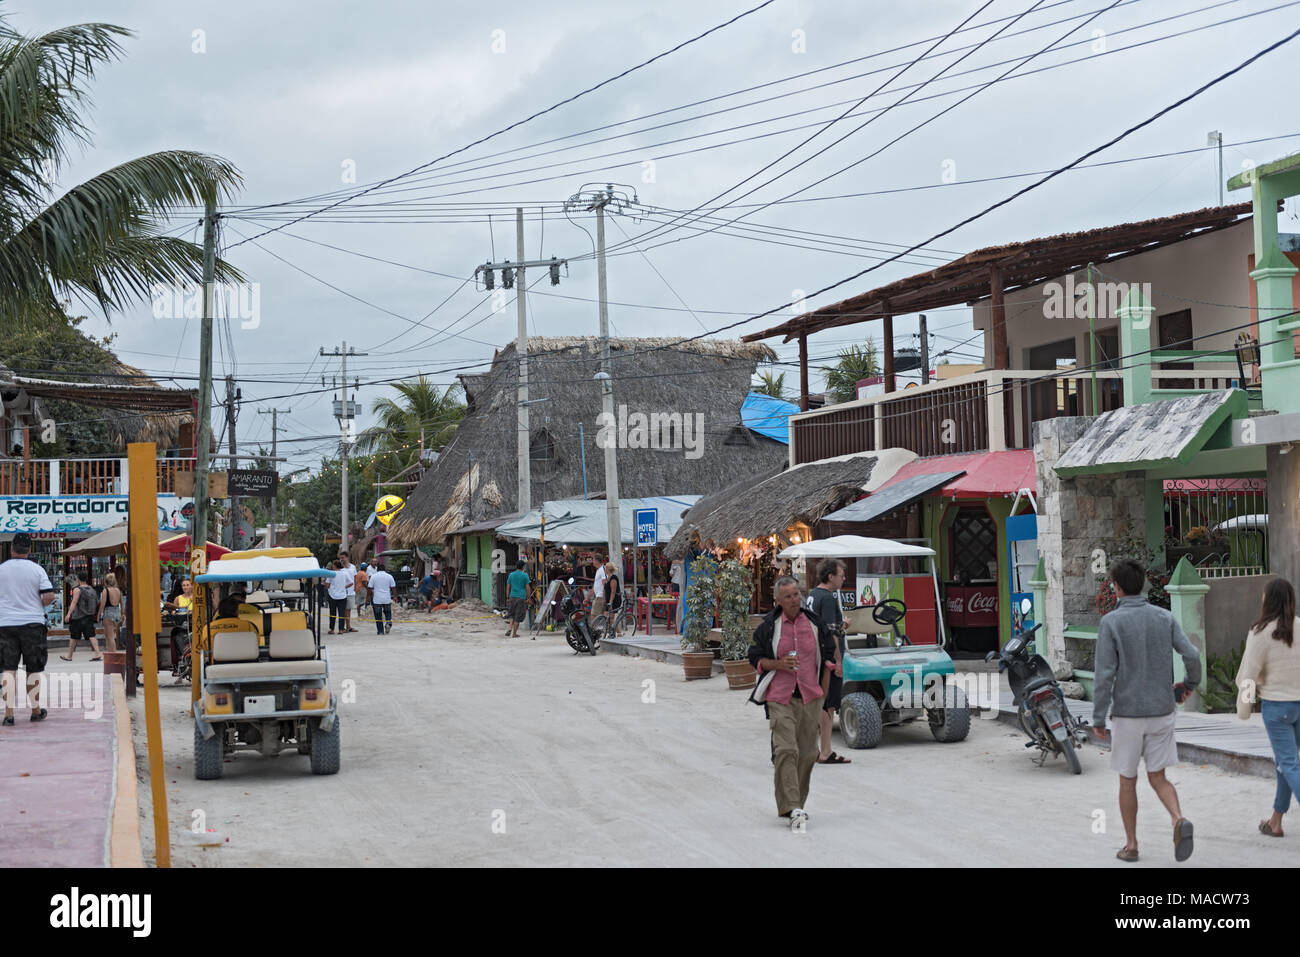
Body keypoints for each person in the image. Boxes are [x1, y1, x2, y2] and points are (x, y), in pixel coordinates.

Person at [1092, 558, 1202, 863]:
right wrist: (1189, 683)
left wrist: (1098, 717)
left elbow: (1104, 675)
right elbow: (1191, 653)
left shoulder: (1110, 623)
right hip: (1162, 710)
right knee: (1159, 777)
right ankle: (1178, 819)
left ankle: (1131, 845)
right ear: (1143, 585)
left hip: (1127, 715)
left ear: (1116, 588)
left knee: (1128, 780)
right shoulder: (1164, 618)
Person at [747, 575, 838, 830]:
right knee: (787, 750)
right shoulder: (769, 626)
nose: (794, 599)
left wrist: (824, 694)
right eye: (788, 596)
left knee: (808, 753)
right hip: (780, 696)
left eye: (797, 594)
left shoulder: (815, 623)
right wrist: (778, 664)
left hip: (810, 695)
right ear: (778, 600)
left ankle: (796, 802)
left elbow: (829, 658)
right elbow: (754, 657)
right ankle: (792, 806)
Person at [1235, 577, 1300, 838]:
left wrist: (1244, 707)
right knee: (1286, 764)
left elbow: (1250, 673)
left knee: (1289, 764)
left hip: (1277, 709)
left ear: (1268, 600)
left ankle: (1276, 821)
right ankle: (1275, 821)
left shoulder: (1260, 632)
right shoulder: (1299, 627)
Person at [0, 532, 56, 724]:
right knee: (33, 669)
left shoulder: (1, 569)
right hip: (33, 624)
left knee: (8, 668)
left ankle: (8, 714)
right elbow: (49, 596)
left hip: (5, 624)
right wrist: (37, 605)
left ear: (12, 549)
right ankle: (35, 711)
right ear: (29, 550)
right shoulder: (37, 570)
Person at [806, 559, 850, 766]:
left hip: (814, 655)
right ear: (830, 576)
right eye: (841, 575)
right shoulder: (829, 599)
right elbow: (831, 634)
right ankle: (825, 750)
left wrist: (842, 626)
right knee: (829, 704)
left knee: (817, 702)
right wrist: (838, 660)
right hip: (828, 658)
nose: (843, 579)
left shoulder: (812, 595)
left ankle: (815, 749)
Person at [60, 571, 102, 662]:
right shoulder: (92, 589)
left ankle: (69, 656)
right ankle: (97, 653)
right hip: (89, 617)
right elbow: (97, 602)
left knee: (74, 637)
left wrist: (68, 614)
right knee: (92, 635)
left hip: (78, 617)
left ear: (78, 579)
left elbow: (74, 602)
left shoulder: (77, 589)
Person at [97, 572, 124, 653]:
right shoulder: (118, 591)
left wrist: (99, 614)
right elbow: (122, 604)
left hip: (108, 613)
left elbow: (103, 604)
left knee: (110, 637)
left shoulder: (106, 591)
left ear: (106, 581)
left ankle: (113, 654)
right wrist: (122, 614)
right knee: (111, 635)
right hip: (117, 613)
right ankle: (110, 652)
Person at [369, 562, 396, 635]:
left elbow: (370, 588)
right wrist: (395, 596)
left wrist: (368, 597)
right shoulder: (389, 576)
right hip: (387, 598)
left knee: (378, 616)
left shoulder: (373, 576)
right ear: (385, 569)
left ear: (377, 569)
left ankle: (380, 631)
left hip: (377, 599)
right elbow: (393, 587)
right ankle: (388, 623)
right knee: (388, 612)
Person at [506, 560, 530, 639]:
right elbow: (527, 587)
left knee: (511, 613)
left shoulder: (511, 575)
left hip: (512, 596)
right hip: (521, 597)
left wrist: (507, 597)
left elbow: (508, 587)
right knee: (518, 616)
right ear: (523, 567)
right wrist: (528, 597)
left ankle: (510, 627)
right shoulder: (525, 575)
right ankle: (514, 634)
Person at [326, 559, 350, 635]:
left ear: (335, 566)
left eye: (333, 565)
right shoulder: (344, 573)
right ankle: (341, 629)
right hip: (342, 596)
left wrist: (326, 585)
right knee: (341, 613)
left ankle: (332, 629)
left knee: (332, 613)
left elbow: (327, 585)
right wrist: (344, 587)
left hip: (332, 595)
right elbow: (351, 583)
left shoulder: (331, 573)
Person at [337, 554, 357, 632]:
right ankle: (343, 627)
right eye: (340, 558)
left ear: (347, 558)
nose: (342, 559)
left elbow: (355, 578)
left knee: (348, 610)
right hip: (342, 592)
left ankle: (348, 626)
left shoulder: (353, 567)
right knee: (342, 610)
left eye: (343, 557)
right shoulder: (340, 568)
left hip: (351, 592)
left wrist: (355, 588)